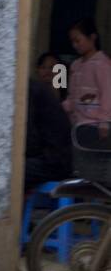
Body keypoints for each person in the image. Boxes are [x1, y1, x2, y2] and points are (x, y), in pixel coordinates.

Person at [25, 51, 73, 191]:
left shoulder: (47, 93)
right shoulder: (36, 90)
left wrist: (57, 85)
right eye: (43, 67)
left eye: (52, 67)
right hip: (50, 155)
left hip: (56, 160)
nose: (47, 71)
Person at [64, 18, 111, 131]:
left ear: (92, 37)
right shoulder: (75, 65)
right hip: (76, 124)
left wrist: (104, 122)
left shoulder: (102, 64)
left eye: (78, 40)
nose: (75, 45)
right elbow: (72, 94)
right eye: (72, 42)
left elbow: (107, 94)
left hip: (94, 125)